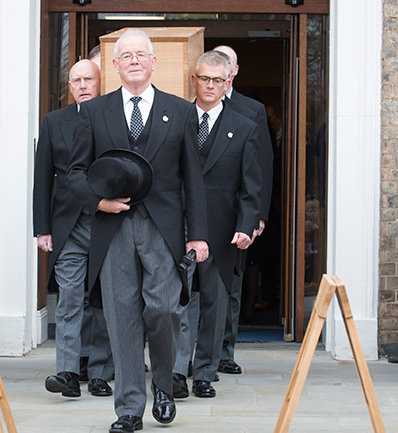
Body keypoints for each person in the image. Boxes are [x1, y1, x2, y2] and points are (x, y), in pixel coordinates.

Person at [67, 28, 209, 433]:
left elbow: (193, 179)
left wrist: (197, 235)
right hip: (113, 229)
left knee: (164, 309)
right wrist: (97, 201)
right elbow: (74, 173)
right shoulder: (95, 112)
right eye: (125, 55)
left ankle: (163, 384)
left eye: (139, 55)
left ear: (153, 62)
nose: (132, 61)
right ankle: (129, 408)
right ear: (114, 65)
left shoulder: (181, 111)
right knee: (122, 316)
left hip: (164, 229)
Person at [172, 51, 261, 400]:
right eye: (204, 78)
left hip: (223, 230)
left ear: (228, 83)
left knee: (214, 302)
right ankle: (178, 370)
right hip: (177, 225)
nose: (210, 85)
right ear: (194, 80)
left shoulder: (245, 127)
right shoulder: (175, 118)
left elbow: (251, 186)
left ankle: (205, 374)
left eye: (217, 80)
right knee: (178, 301)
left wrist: (246, 224)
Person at [34, 59, 114, 398]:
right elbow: (42, 179)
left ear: (100, 82)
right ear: (69, 86)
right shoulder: (54, 122)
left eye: (88, 79)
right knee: (69, 299)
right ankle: (67, 371)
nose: (82, 85)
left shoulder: (114, 117)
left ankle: (99, 371)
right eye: (76, 80)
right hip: (68, 225)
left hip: (108, 223)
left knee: (105, 300)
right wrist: (42, 228)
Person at [212, 45, 273, 376]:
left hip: (239, 211)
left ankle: (225, 350)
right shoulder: (194, 106)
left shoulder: (252, 109)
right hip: (205, 211)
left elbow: (263, 163)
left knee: (231, 285)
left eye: (227, 65)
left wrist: (258, 215)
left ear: (235, 71)